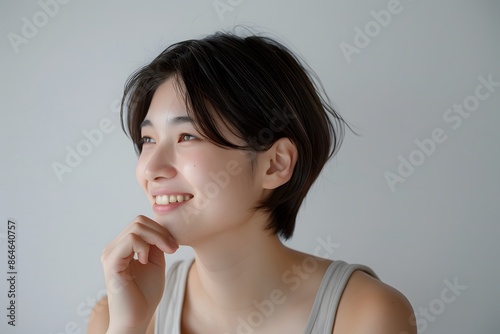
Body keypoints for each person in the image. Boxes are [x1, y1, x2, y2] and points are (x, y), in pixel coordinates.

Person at [88, 31, 416, 334]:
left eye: (186, 135)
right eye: (147, 139)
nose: (151, 168)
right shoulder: (117, 315)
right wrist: (129, 326)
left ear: (275, 163)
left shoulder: (367, 316)